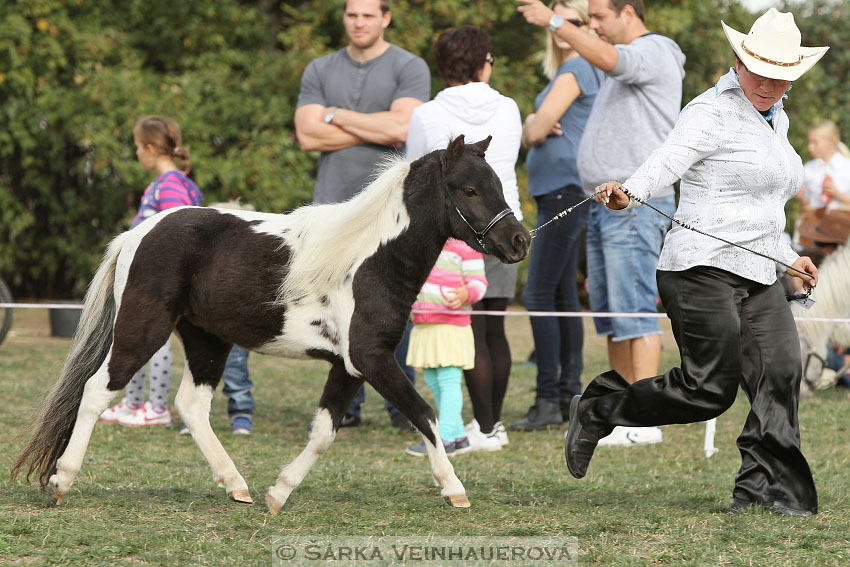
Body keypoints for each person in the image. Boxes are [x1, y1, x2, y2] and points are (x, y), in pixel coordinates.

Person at [563, 9, 827, 517]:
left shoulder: (778, 119)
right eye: (762, 70)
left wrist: (788, 255)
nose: (771, 83)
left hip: (758, 270)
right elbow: (667, 159)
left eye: (782, 75)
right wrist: (630, 195)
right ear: (739, 60)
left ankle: (766, 490)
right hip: (699, 268)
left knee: (782, 371)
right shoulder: (709, 111)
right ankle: (600, 408)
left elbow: (766, 207)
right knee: (708, 391)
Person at [518, 0, 685, 445]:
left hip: (635, 205)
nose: (593, 27)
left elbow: (609, 58)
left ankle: (645, 422)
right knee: (613, 316)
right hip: (604, 205)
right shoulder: (621, 63)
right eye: (588, 20)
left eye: (598, 18)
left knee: (634, 312)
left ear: (628, 12)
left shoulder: (655, 51)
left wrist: (555, 21)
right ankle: (622, 414)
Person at [294, 0, 430, 430]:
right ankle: (346, 408)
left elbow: (400, 130)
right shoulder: (320, 68)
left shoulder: (410, 67)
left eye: (368, 15)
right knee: (335, 303)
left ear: (386, 18)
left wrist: (334, 115)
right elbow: (306, 135)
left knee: (392, 304)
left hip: (388, 211)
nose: (359, 22)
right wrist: (374, 123)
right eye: (352, 15)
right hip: (331, 207)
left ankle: (398, 406)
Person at [405, 25, 522, 451]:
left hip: (452, 236)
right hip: (504, 226)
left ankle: (480, 428)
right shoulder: (509, 108)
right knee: (494, 328)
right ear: (480, 62)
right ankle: (492, 427)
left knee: (465, 332)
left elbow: (413, 170)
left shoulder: (426, 114)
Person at [509, 0, 603, 432]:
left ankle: (548, 398)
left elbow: (535, 131)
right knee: (563, 296)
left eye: (573, 19)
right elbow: (541, 125)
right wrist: (538, 120)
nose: (562, 27)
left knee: (538, 293)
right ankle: (569, 395)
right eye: (557, 19)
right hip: (559, 190)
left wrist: (533, 120)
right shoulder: (570, 70)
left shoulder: (578, 67)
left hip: (566, 189)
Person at [100, 115, 203, 427]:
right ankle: (133, 403)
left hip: (162, 281)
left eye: (136, 148)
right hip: (148, 280)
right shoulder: (166, 183)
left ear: (149, 149)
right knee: (134, 338)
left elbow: (181, 233)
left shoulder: (172, 186)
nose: (136, 154)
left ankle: (156, 407)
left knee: (153, 342)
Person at [404, 238, 488, 457]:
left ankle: (444, 439)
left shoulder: (466, 248)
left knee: (448, 381)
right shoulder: (423, 242)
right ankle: (459, 436)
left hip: (450, 326)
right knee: (432, 379)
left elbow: (479, 283)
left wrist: (466, 294)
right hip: (424, 324)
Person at [179, 200, 256, 436]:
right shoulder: (206, 261)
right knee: (197, 369)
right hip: (206, 324)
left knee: (236, 370)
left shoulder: (247, 265)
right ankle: (192, 416)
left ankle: (241, 414)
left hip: (235, 327)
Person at [796, 120, 850, 212]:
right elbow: (806, 208)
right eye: (809, 142)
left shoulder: (847, 167)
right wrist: (802, 200)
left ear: (831, 141)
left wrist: (837, 194)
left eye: (815, 142)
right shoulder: (808, 168)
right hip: (815, 223)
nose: (810, 147)